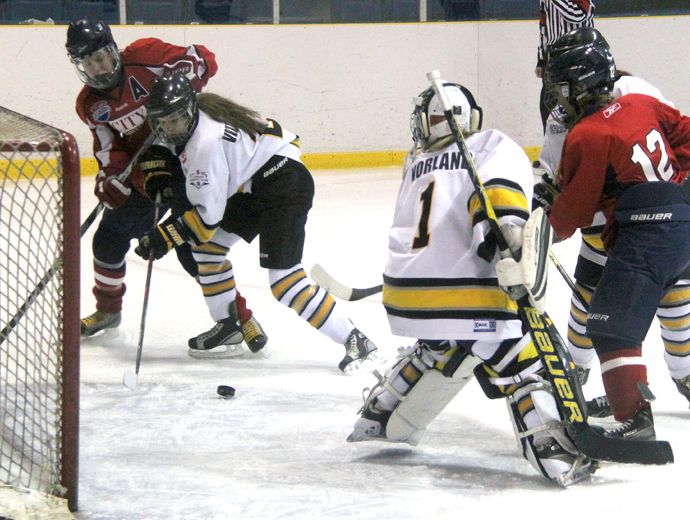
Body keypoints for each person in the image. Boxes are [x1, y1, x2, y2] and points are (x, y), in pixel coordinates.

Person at [348, 80, 595, 486]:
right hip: (465, 294)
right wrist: (509, 241)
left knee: (442, 347)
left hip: (405, 294)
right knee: (521, 358)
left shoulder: (416, 160)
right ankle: (556, 454)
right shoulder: (491, 144)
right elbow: (496, 204)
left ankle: (381, 415)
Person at [133, 71, 379, 372]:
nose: (170, 128)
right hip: (262, 179)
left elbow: (206, 220)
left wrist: (164, 236)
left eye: (175, 120)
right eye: (163, 121)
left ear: (189, 110)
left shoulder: (203, 146)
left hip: (283, 185)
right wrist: (159, 156)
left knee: (284, 281)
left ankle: (356, 340)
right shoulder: (204, 109)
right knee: (207, 251)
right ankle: (229, 325)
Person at [66, 17, 268, 355]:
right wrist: (111, 176)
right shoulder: (90, 104)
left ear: (113, 49)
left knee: (194, 251)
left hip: (187, 164)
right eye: (88, 63)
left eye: (101, 58)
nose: (98, 69)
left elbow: (204, 59)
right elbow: (108, 147)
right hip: (144, 174)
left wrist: (192, 68)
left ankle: (240, 317)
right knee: (107, 240)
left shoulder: (146, 55)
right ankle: (108, 311)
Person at [534, 27, 690, 413]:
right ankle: (578, 366)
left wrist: (543, 228)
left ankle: (672, 376)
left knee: (617, 301)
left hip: (629, 216)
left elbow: (570, 202)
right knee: (642, 285)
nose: (556, 95)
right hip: (646, 213)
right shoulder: (634, 97)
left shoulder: (597, 118)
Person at [536, 0, 595, 132]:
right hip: (554, 55)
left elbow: (577, 15)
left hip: (579, 53)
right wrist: (541, 59)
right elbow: (543, 27)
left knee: (580, 106)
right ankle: (553, 147)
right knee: (548, 106)